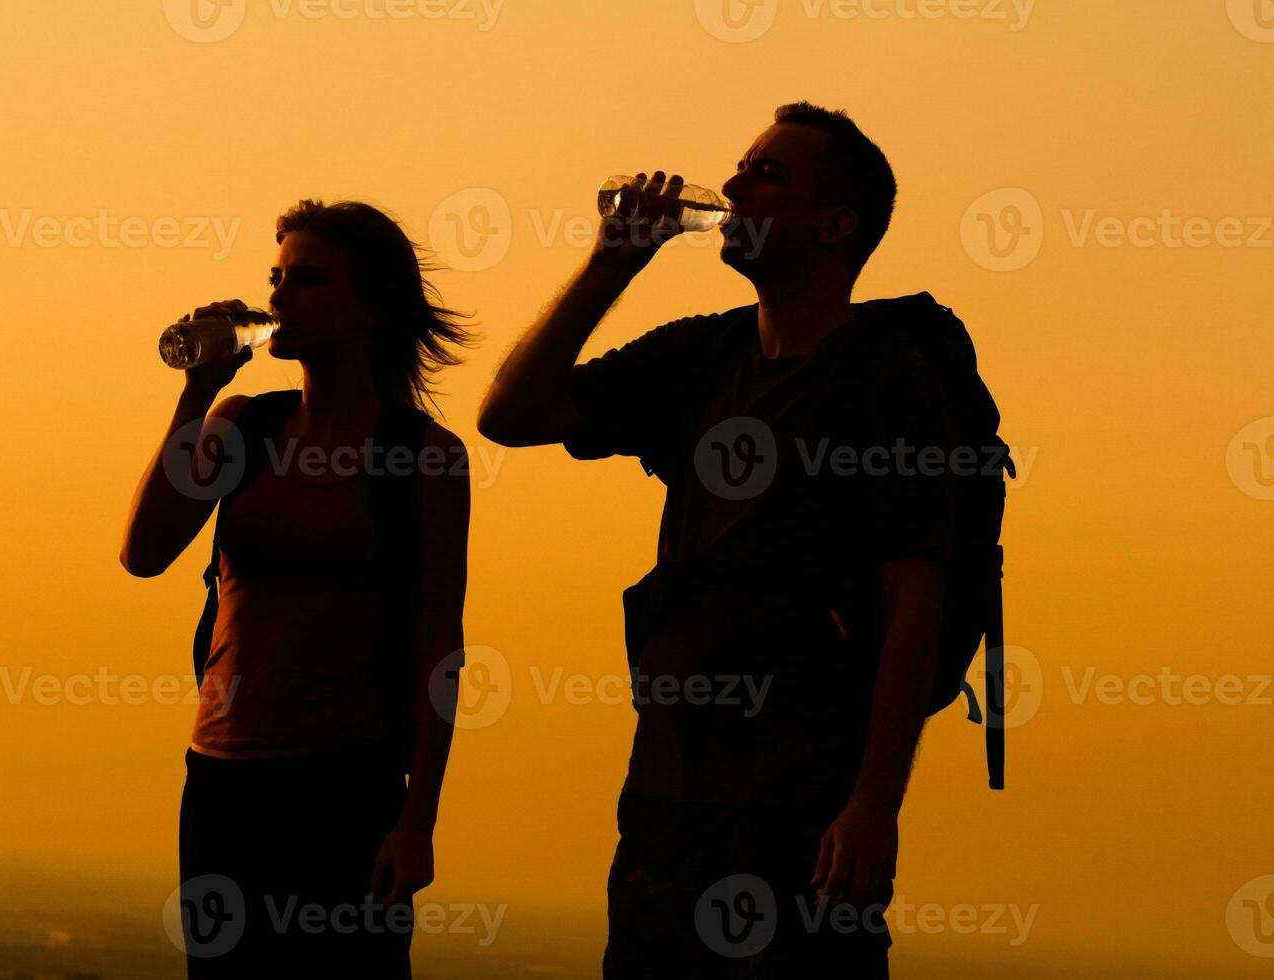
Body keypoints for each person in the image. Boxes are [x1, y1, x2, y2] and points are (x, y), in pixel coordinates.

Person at [478, 103, 958, 978]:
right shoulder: (703, 355)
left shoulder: (890, 384)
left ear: (836, 224)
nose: (731, 186)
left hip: (801, 807)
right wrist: (608, 266)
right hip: (668, 791)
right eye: (739, 168)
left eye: (767, 174)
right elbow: (510, 415)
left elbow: (915, 602)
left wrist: (874, 807)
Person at [120, 199, 474, 977]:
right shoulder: (242, 423)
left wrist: (418, 820)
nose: (277, 299)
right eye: (275, 278)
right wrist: (194, 394)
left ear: (371, 308)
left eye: (307, 281)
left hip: (342, 785)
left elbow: (437, 646)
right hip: (218, 778)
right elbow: (144, 552)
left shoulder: (421, 456)